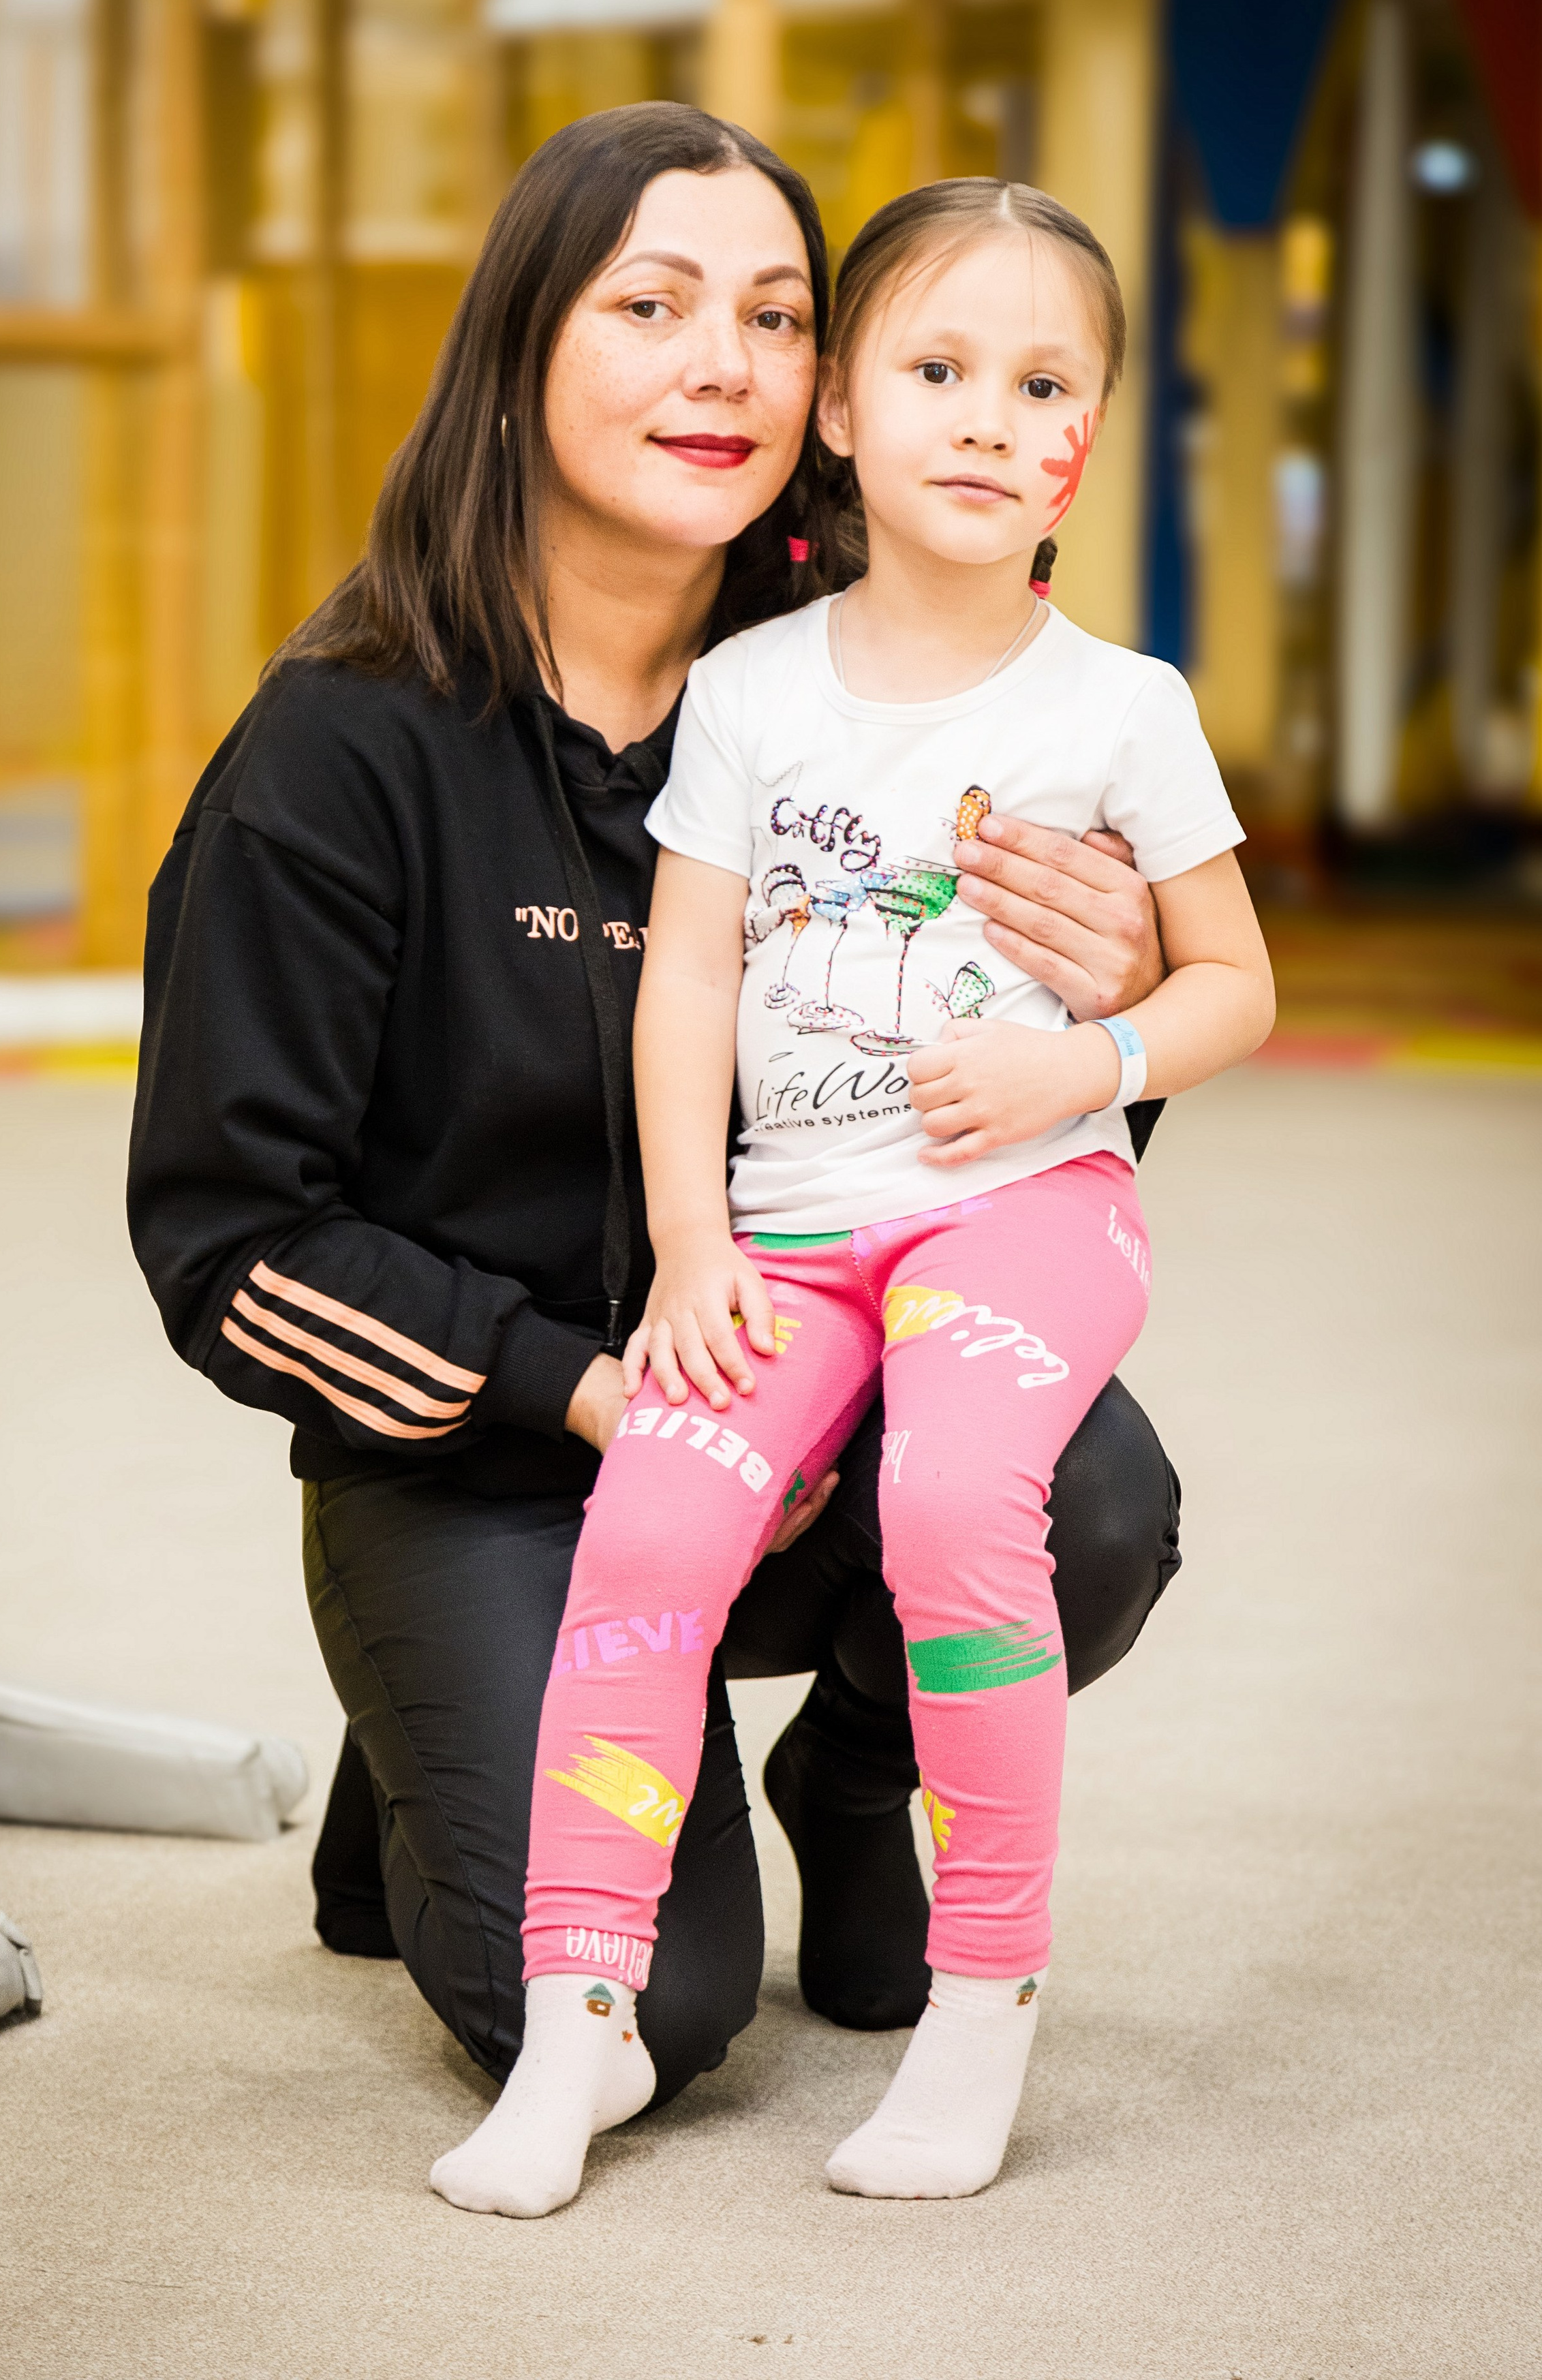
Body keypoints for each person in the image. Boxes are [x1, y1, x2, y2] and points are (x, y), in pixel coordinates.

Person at [126, 109, 1179, 2131]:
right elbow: (231, 1249)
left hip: (819, 1350)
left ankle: (851, 1774)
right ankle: (431, 1747)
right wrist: (589, 1391)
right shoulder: (344, 751)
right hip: (501, 1451)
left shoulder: (879, 685)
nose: (726, 365)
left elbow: (1021, 1137)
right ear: (524, 342)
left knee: (1089, 1505)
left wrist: (1102, 998)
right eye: (653, 304)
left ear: (836, 385)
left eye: (778, 315)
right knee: (653, 2015)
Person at [430, 175, 1274, 2219]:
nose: (990, 417)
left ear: (1091, 435)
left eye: (1043, 380)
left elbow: (1236, 980)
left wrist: (1097, 1059)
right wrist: (698, 1242)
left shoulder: (1121, 708)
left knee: (953, 1504)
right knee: (649, 1531)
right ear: (841, 417)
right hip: (787, 1230)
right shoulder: (754, 691)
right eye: (936, 367)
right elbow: (692, 976)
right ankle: (581, 2016)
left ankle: (986, 2000)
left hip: (1027, 1208)